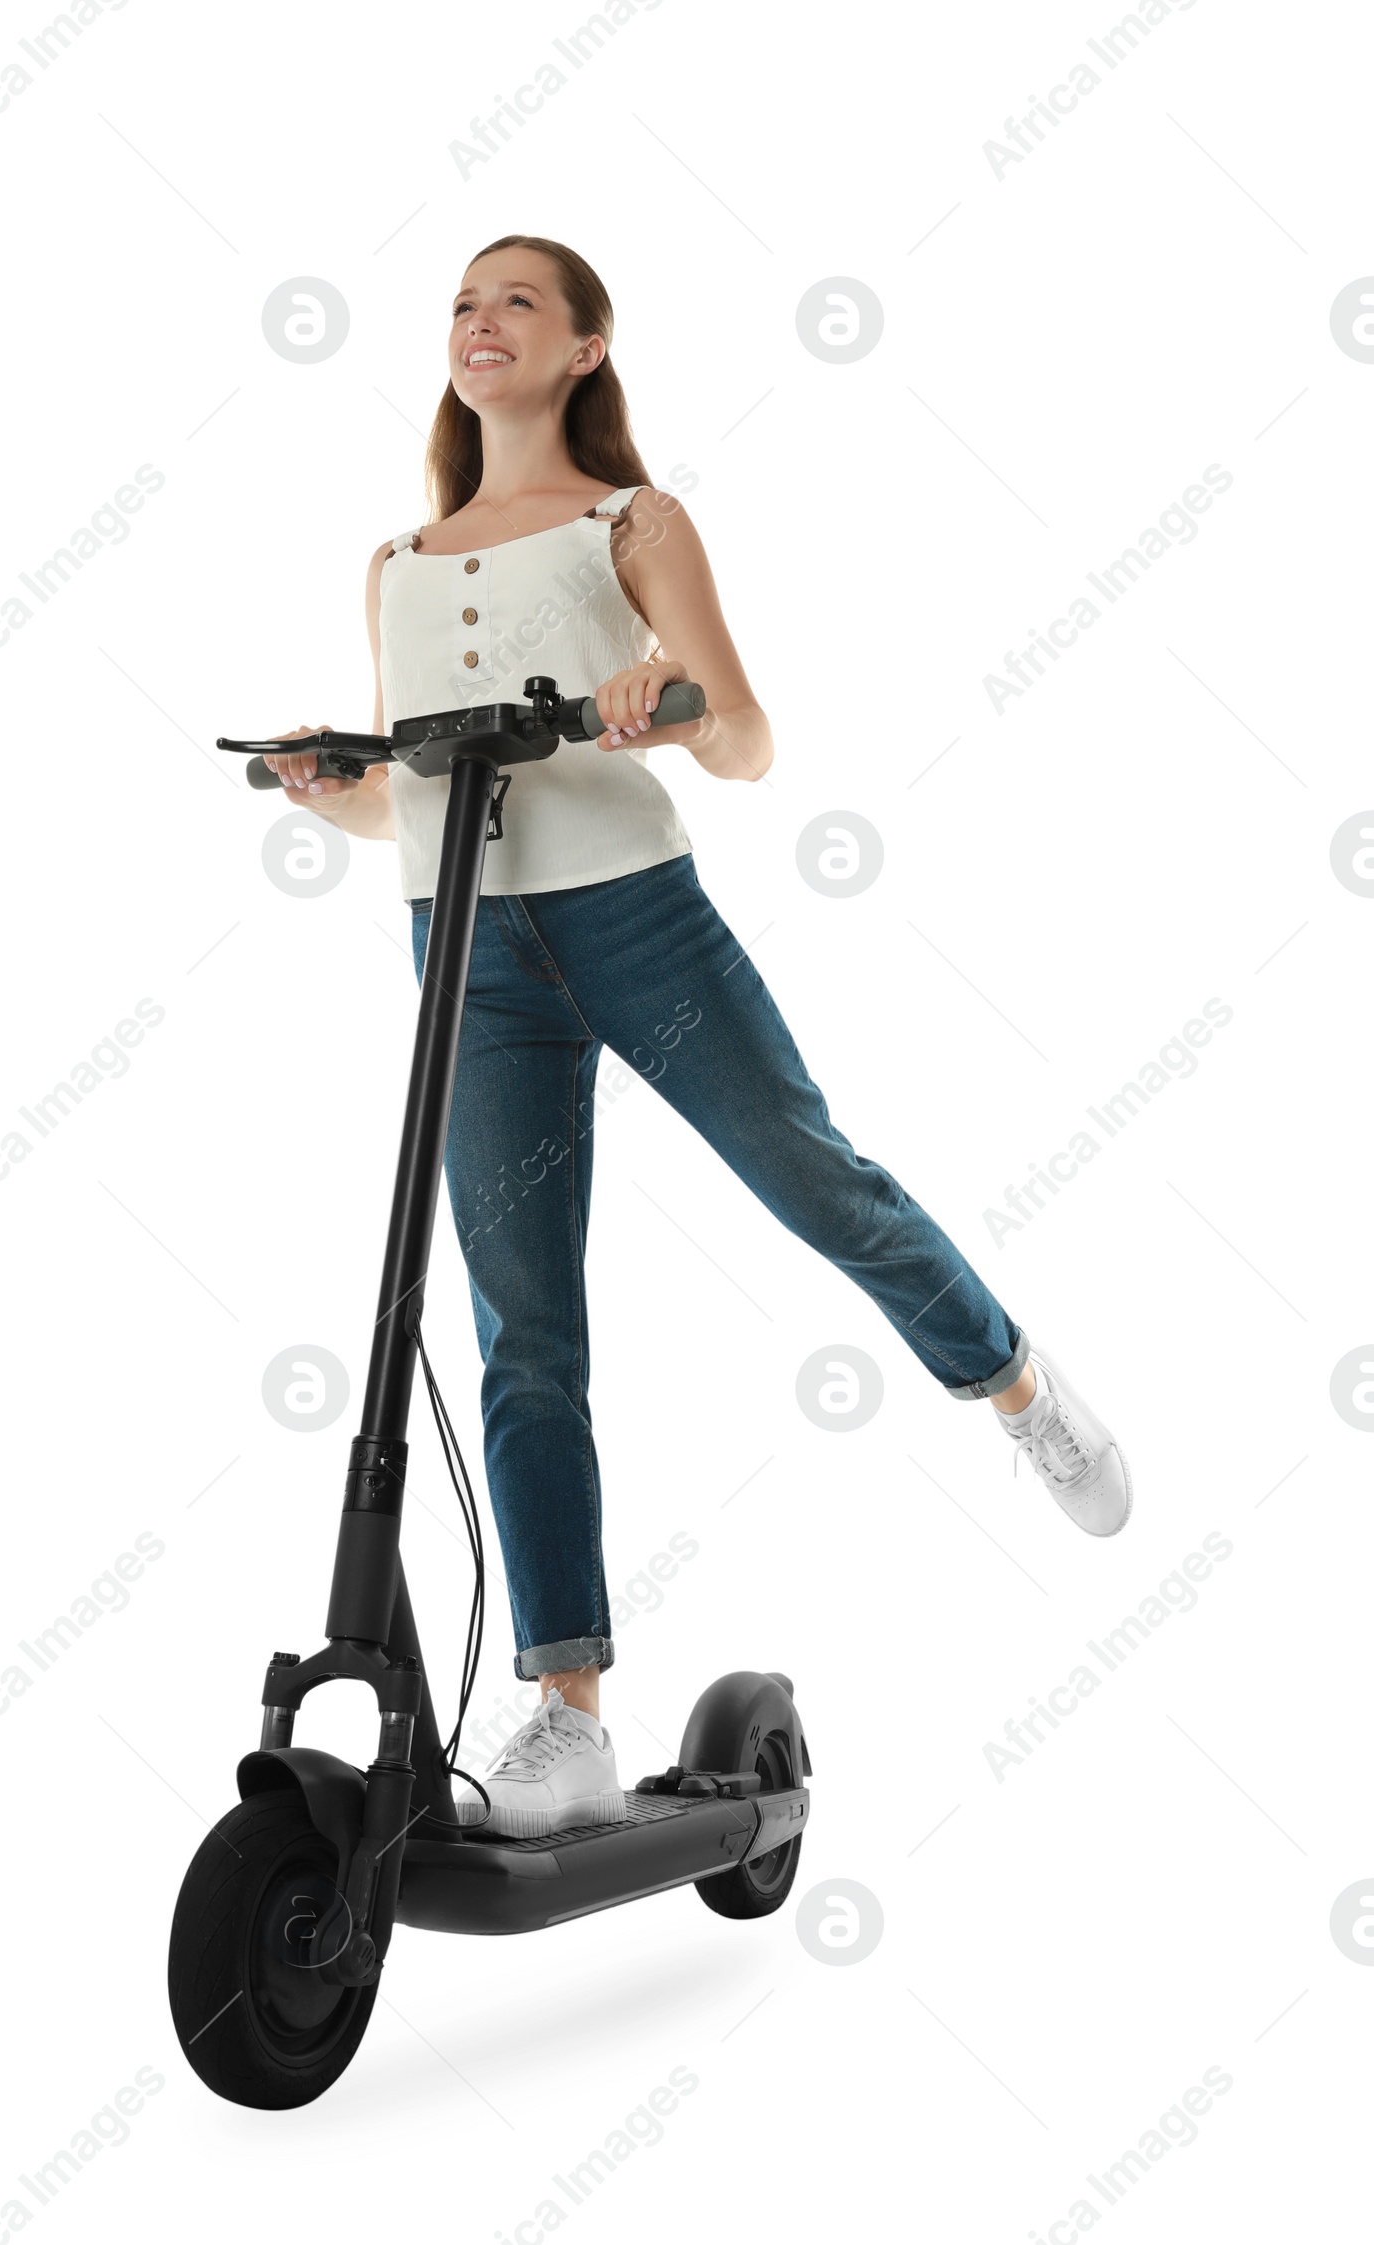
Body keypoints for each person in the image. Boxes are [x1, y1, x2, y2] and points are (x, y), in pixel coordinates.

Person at [263, 234, 1132, 1840]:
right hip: (465, 944)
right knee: (522, 1324)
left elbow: (743, 740)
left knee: (817, 1183)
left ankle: (1010, 1379)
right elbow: (418, 793)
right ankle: (567, 1709)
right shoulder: (395, 560)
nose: (480, 323)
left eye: (518, 300)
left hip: (632, 919)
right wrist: (341, 789)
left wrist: (660, 693)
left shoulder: (632, 522)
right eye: (462, 303)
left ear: (589, 346)